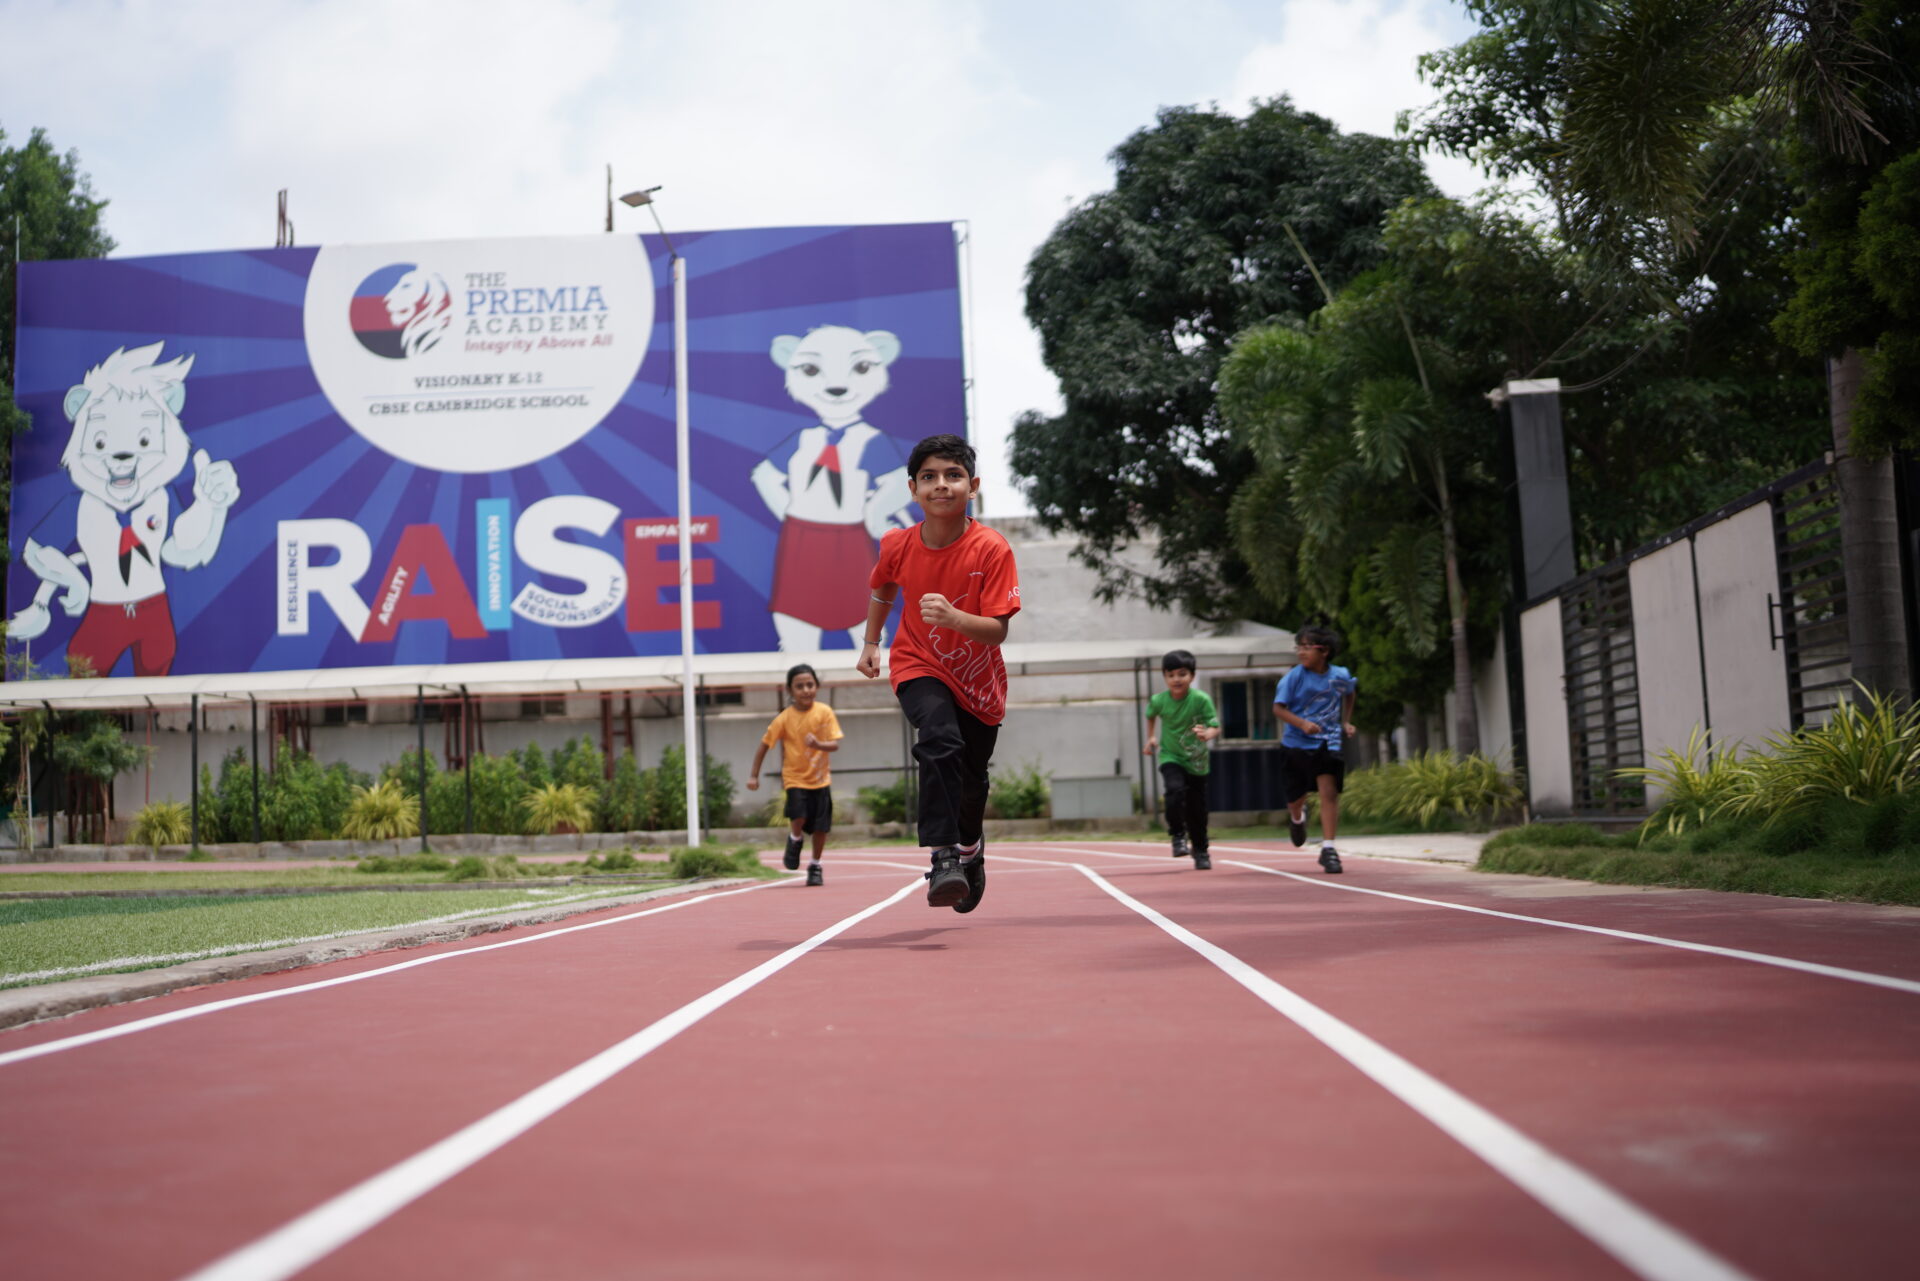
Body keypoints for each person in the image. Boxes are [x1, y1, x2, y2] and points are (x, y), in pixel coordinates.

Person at [858, 433, 1020, 912]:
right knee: (939, 739)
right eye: (929, 477)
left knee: (973, 782)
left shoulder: (991, 549)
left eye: (953, 476)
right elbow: (882, 587)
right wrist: (871, 643)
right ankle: (943, 855)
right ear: (913, 489)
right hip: (918, 663)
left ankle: (970, 850)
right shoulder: (898, 544)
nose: (941, 485)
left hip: (979, 683)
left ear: (973, 486)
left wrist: (954, 618)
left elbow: (996, 632)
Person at [746, 663, 842, 886]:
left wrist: (819, 744)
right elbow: (763, 746)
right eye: (800, 686)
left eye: (810, 684)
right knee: (797, 816)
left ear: (816, 686)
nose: (806, 690)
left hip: (820, 780)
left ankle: (816, 865)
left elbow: (834, 744)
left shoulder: (824, 712)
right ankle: (795, 838)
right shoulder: (784, 718)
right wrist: (753, 775)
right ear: (790, 690)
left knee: (820, 828)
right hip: (795, 779)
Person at [1273, 625, 1357, 874]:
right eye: (1299, 647)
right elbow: (1278, 708)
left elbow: (1350, 693)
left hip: (1328, 742)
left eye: (1307, 647)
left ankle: (1329, 848)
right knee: (1296, 797)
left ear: (1325, 651)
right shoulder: (1294, 677)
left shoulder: (1340, 675)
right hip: (1296, 745)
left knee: (1329, 792)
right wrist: (1302, 724)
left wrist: (1346, 721)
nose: (1301, 652)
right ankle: (1297, 818)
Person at [1144, 648, 1221, 869]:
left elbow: (1215, 726)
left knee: (1197, 810)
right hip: (1171, 755)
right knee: (1174, 791)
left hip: (1197, 761)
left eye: (1182, 674)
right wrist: (1151, 737)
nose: (1176, 679)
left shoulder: (1200, 699)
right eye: (1171, 675)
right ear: (1165, 677)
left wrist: (1208, 734)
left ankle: (1201, 850)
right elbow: (1150, 715)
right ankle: (1177, 835)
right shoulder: (1159, 700)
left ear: (1192, 676)